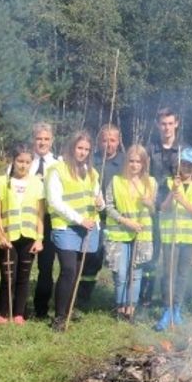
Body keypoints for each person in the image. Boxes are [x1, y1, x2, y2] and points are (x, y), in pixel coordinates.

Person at [45, 131, 102, 331]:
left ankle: (69, 309)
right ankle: (59, 316)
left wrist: (100, 203)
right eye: (80, 148)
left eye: (86, 149)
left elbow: (99, 202)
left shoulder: (92, 172)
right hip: (66, 227)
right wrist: (79, 219)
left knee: (77, 271)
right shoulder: (57, 169)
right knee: (68, 270)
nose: (83, 152)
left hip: (86, 229)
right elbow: (54, 201)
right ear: (72, 147)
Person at [0, 144, 44, 324]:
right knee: (8, 276)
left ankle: (19, 313)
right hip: (8, 237)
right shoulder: (2, 182)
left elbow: (40, 214)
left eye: (27, 162)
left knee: (24, 275)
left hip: (29, 237)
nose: (23, 165)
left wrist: (40, 238)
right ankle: (2, 312)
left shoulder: (37, 184)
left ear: (32, 163)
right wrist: (0, 236)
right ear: (13, 161)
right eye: (20, 161)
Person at [103, 144, 155, 323]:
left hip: (142, 234)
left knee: (136, 272)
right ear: (127, 162)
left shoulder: (151, 182)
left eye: (138, 161)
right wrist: (125, 221)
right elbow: (108, 206)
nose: (134, 165)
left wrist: (149, 204)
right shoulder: (116, 181)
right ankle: (120, 307)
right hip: (120, 233)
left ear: (144, 163)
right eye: (131, 161)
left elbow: (155, 210)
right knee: (121, 273)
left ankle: (131, 309)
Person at [156, 147, 192, 330]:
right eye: (183, 164)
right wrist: (172, 193)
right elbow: (162, 208)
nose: (186, 168)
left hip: (189, 238)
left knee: (182, 274)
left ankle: (177, 308)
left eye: (190, 165)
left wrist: (183, 201)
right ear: (177, 165)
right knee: (168, 273)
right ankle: (166, 309)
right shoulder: (167, 183)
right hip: (171, 236)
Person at [77, 124, 124, 305]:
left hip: (117, 219)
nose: (108, 144)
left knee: (116, 260)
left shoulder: (125, 162)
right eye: (104, 140)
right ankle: (83, 299)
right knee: (92, 258)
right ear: (99, 142)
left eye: (112, 140)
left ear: (118, 142)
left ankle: (119, 300)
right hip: (95, 219)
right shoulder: (90, 161)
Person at [143, 108, 182, 308]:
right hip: (152, 209)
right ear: (158, 125)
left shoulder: (184, 151)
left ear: (176, 123)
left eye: (170, 123)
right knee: (151, 254)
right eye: (163, 123)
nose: (166, 127)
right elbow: (141, 175)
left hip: (175, 211)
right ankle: (145, 297)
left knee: (170, 256)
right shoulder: (149, 150)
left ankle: (168, 298)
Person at [30, 122, 60, 319]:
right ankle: (16, 309)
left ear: (52, 141)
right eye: (39, 138)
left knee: (45, 267)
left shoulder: (58, 164)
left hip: (48, 220)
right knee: (22, 267)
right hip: (26, 220)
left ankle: (41, 308)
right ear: (33, 140)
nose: (42, 142)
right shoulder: (23, 162)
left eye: (46, 139)